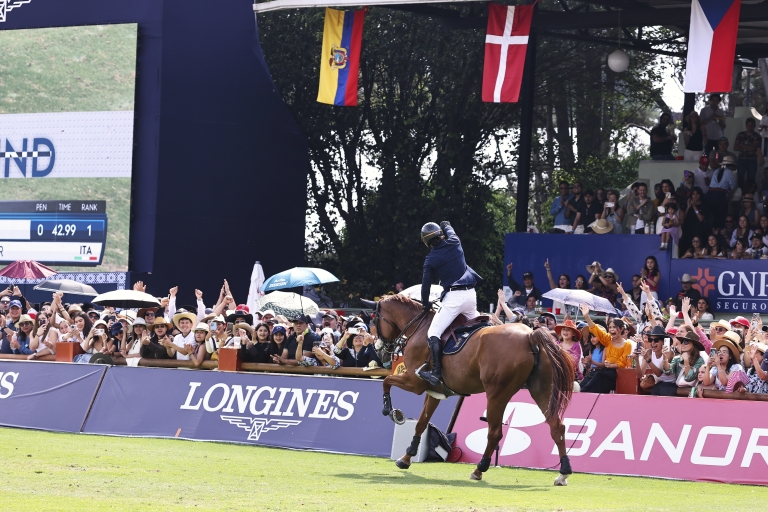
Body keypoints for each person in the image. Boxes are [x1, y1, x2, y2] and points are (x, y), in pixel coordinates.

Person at [419, 221, 482, 386]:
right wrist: (446, 225)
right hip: (471, 295)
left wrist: (425, 304)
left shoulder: (430, 259)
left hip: (454, 299)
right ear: (440, 234)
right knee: (479, 327)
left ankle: (436, 373)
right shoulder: (455, 241)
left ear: (427, 242)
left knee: (433, 333)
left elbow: (425, 286)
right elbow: (451, 230)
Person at [579, 303, 631, 393]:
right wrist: (587, 316)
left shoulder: (627, 344)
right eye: (610, 327)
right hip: (605, 371)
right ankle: (582, 393)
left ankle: (584, 392)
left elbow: (623, 363)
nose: (611, 330)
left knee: (598, 376)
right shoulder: (608, 339)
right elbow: (596, 330)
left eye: (614, 327)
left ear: (622, 329)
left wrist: (611, 365)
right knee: (592, 379)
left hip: (617, 373)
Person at [639, 326, 679, 396]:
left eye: (656, 340)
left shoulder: (669, 352)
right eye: (651, 340)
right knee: (644, 385)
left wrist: (648, 360)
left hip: (672, 383)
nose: (653, 343)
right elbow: (640, 374)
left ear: (663, 342)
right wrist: (636, 359)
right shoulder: (649, 352)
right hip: (660, 382)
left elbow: (659, 373)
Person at [707, 155, 737, 228]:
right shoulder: (729, 172)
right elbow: (732, 186)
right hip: (720, 195)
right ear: (731, 165)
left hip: (710, 194)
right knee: (721, 216)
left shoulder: (716, 171)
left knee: (711, 216)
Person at [734, 118, 762, 189]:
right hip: (741, 160)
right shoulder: (740, 134)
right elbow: (735, 148)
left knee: (751, 180)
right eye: (748, 125)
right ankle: (740, 195)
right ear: (746, 125)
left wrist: (742, 145)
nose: (750, 127)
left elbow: (752, 149)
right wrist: (748, 147)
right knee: (740, 179)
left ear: (754, 126)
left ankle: (750, 196)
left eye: (752, 125)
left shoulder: (757, 136)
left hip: (752, 160)